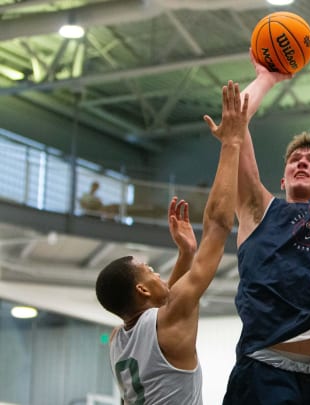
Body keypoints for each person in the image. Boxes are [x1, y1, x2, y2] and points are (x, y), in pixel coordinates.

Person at [222, 41, 310, 405]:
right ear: (284, 179)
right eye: (295, 160)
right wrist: (267, 78)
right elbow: (235, 130)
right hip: (263, 372)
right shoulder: (259, 210)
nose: (303, 162)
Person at [95, 80, 249, 404]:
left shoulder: (116, 341)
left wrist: (186, 254)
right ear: (142, 290)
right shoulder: (167, 317)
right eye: (149, 270)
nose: (156, 273)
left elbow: (166, 305)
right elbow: (219, 226)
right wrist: (232, 143)